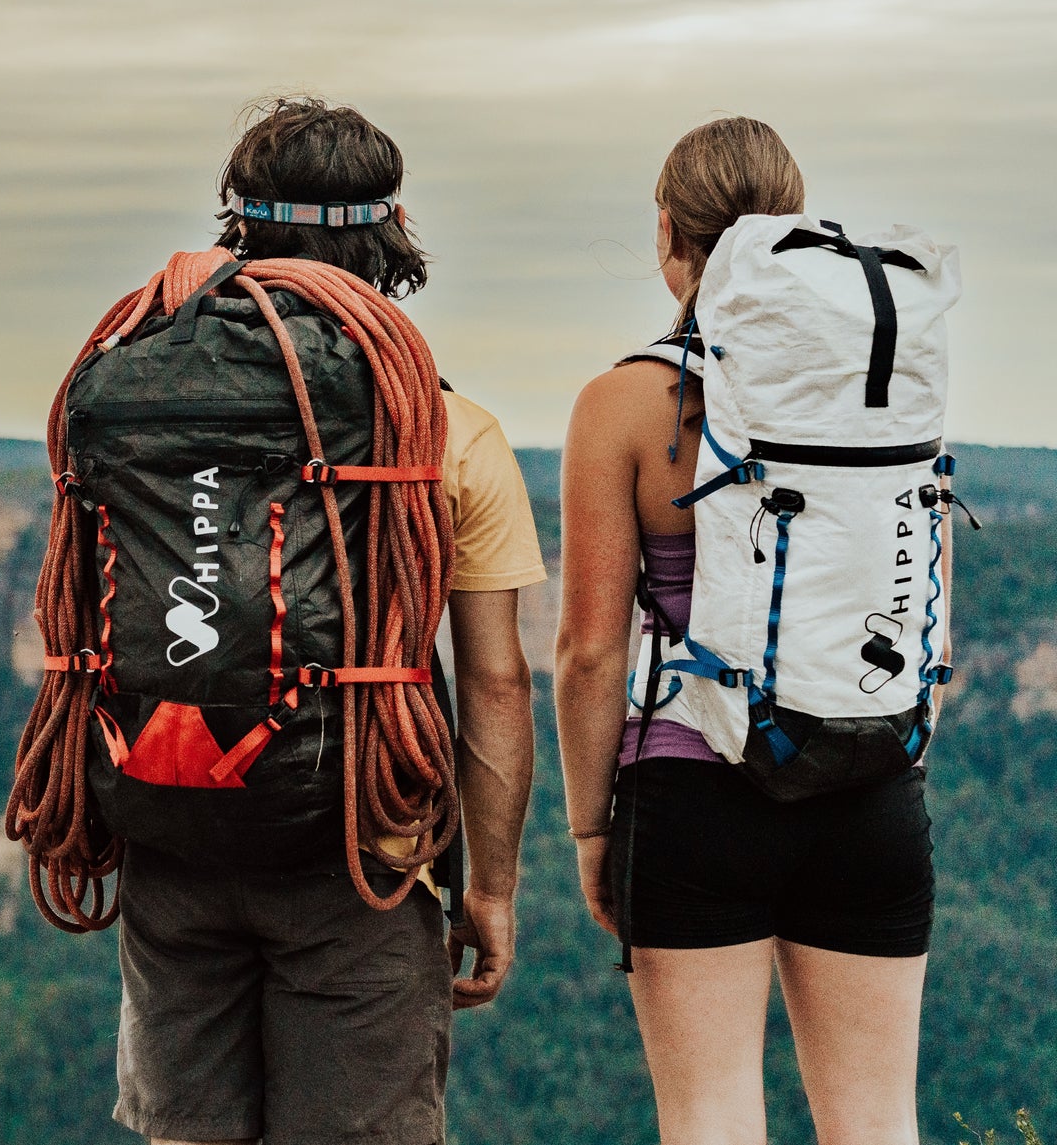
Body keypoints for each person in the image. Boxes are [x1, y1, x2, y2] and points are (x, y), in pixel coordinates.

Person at [113, 97, 543, 1145]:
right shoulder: (446, 427)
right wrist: (491, 883)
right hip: (367, 848)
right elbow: (494, 680)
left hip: (171, 833)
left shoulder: (132, 392)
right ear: (389, 236)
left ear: (239, 223)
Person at [555, 117, 935, 1145]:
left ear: (670, 233)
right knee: (876, 1121)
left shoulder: (627, 402)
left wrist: (592, 825)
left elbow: (590, 650)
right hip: (868, 779)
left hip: (691, 790)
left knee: (712, 1116)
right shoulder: (877, 388)